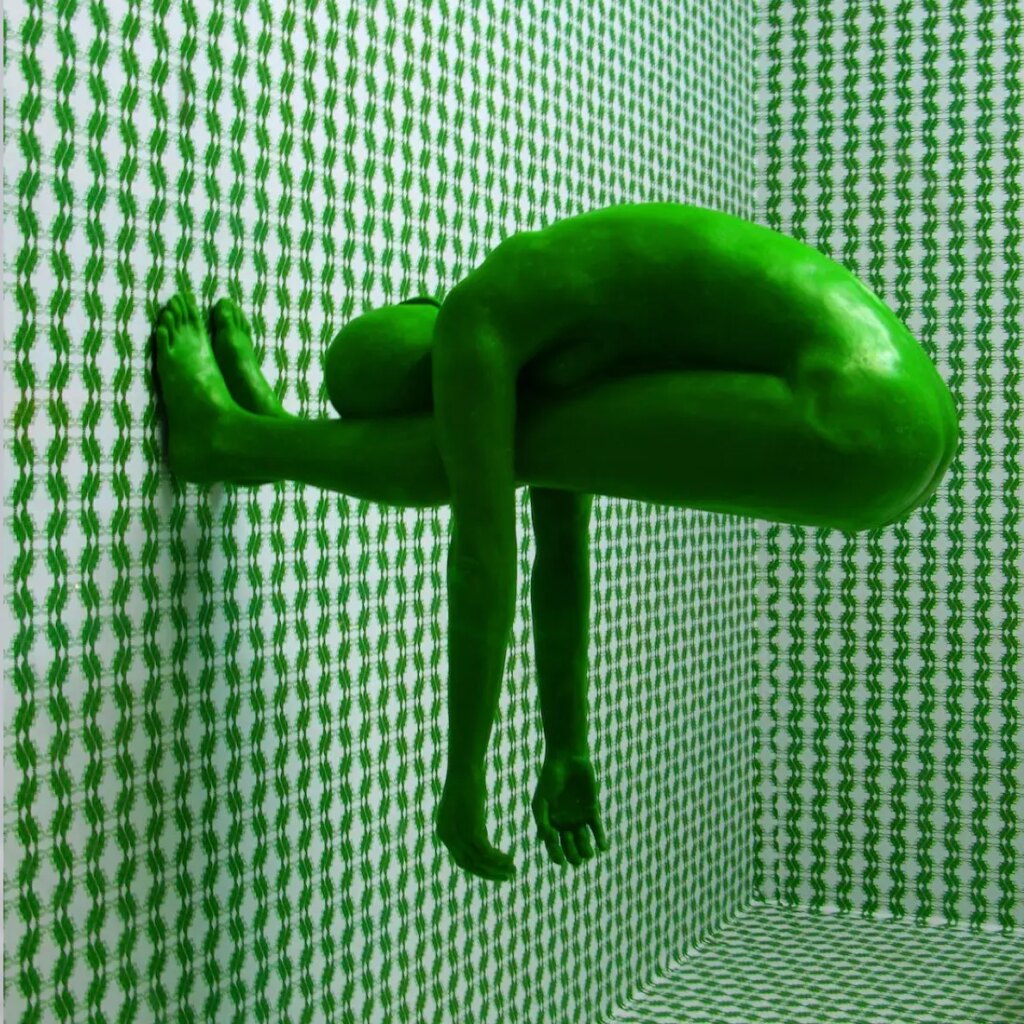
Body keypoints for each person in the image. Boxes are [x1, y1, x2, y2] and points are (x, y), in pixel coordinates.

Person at [153, 200, 958, 883]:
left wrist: (463, 778)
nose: (462, 423)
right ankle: (266, 442)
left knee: (463, 464)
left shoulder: (482, 319)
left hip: (854, 418)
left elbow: (483, 555)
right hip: (904, 409)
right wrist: (566, 743)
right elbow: (559, 556)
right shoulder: (565, 341)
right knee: (513, 452)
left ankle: (233, 441)